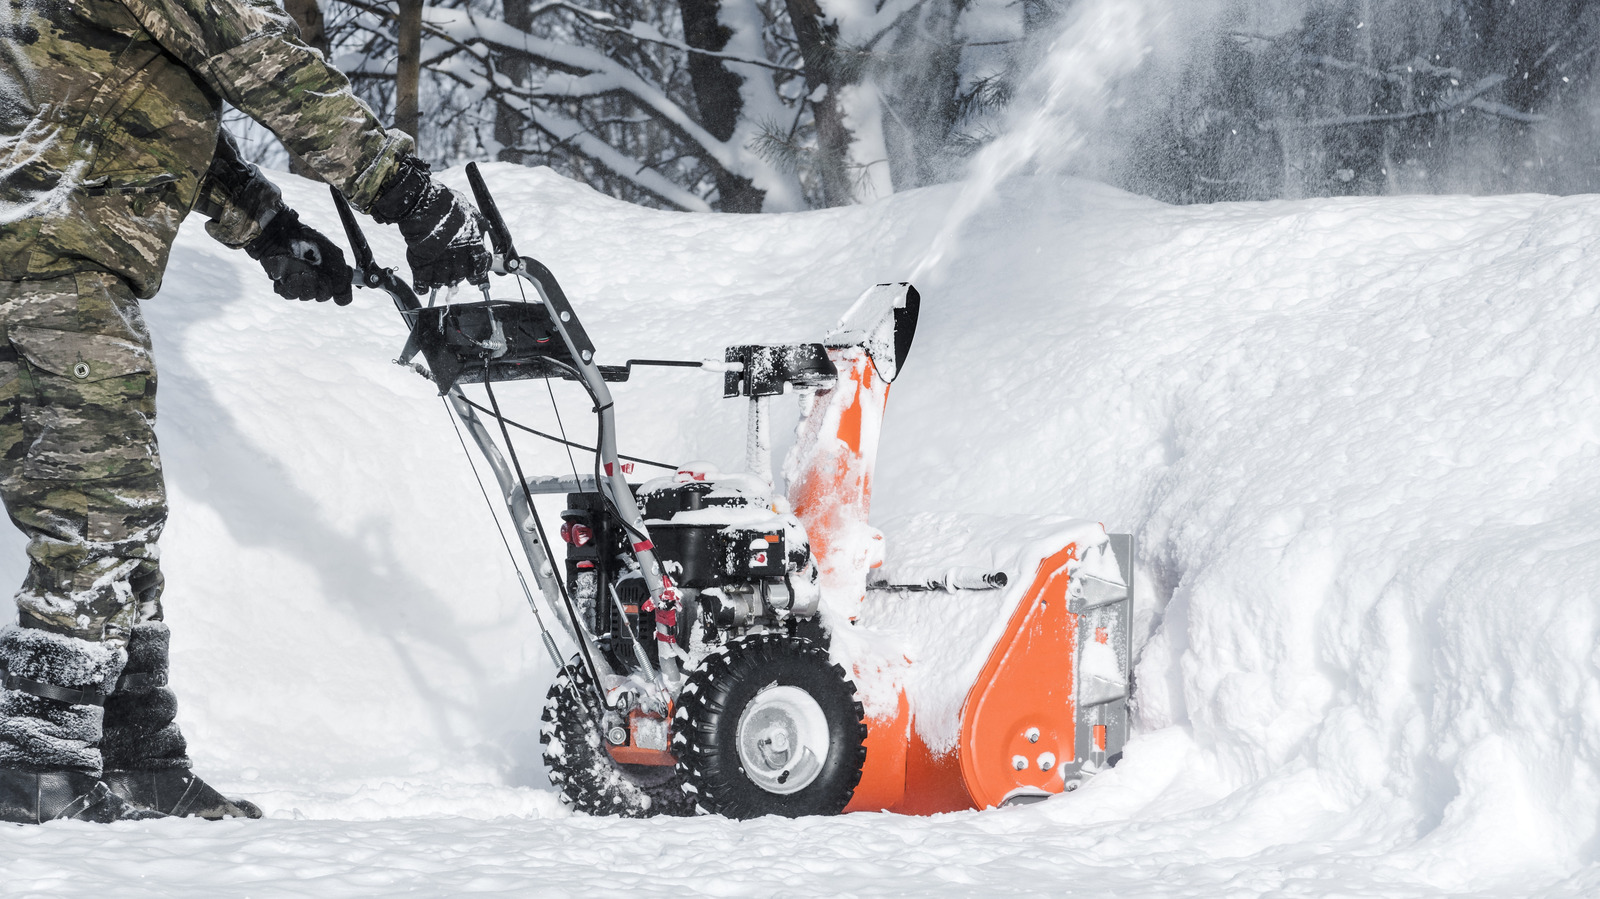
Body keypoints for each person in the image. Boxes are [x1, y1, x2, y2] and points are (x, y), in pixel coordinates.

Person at [0, 0, 490, 823]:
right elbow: (265, 63)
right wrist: (405, 194)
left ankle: (134, 755)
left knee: (112, 505)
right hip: (50, 261)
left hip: (43, 252)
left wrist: (268, 228)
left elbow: (145, 104)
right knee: (100, 510)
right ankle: (39, 763)